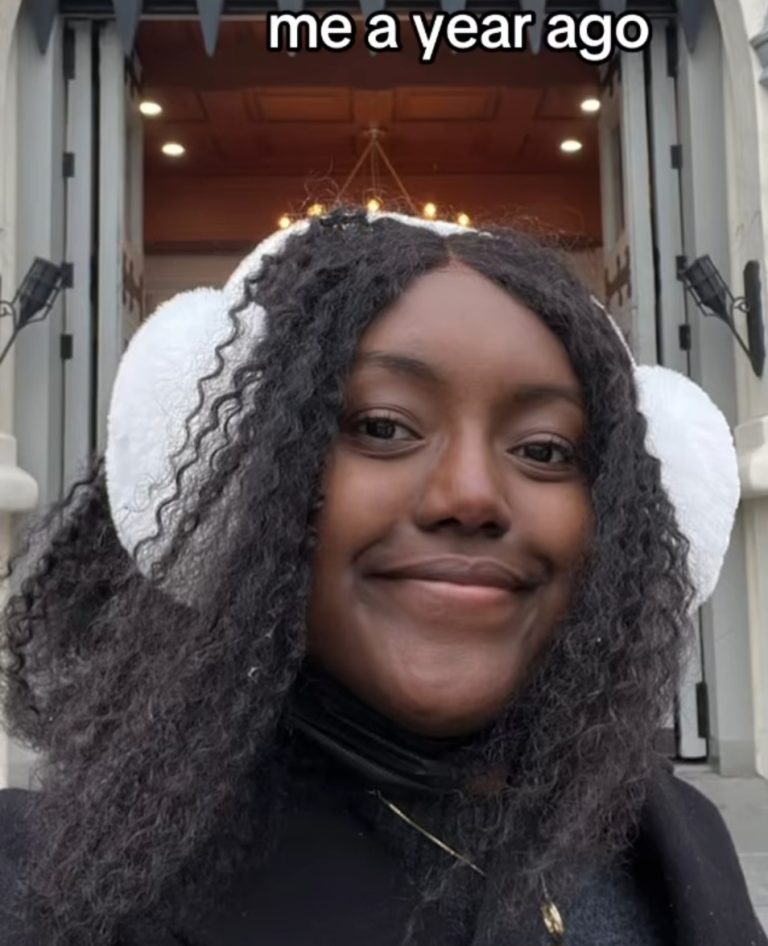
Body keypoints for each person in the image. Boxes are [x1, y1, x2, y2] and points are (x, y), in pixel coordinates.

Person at [0, 208, 764, 946]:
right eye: (383, 427)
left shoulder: (683, 841)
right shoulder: (50, 883)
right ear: (240, 487)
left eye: (543, 450)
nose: (471, 495)